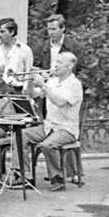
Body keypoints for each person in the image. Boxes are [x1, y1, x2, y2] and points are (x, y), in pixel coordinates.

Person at [13, 52, 83, 191]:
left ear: (69, 66)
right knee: (20, 135)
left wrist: (44, 86)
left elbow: (60, 102)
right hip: (49, 126)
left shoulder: (74, 84)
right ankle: (25, 176)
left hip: (66, 129)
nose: (55, 65)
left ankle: (57, 179)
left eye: (59, 62)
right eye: (55, 62)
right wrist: (31, 82)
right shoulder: (53, 81)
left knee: (48, 145)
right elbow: (33, 95)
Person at [0, 17, 34, 93]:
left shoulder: (25, 50)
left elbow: (28, 73)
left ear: (12, 32)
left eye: (2, 32)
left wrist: (25, 93)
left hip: (16, 90)